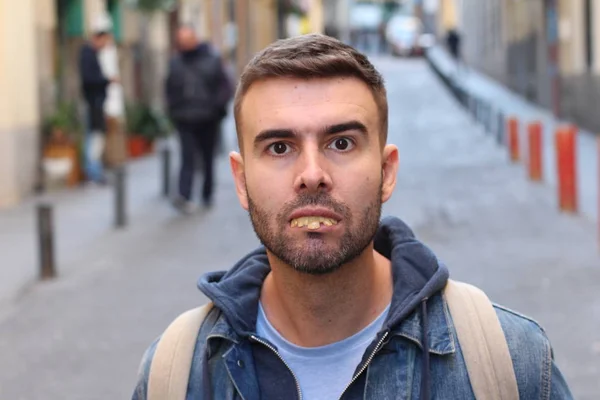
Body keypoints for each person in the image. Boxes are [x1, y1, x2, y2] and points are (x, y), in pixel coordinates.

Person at [133, 34, 573, 399]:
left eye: (341, 143)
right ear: (241, 180)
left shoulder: (509, 364)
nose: (311, 175)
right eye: (279, 148)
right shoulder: (176, 375)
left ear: (386, 172)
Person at [165, 25, 233, 213]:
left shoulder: (211, 59)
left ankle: (207, 194)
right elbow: (169, 88)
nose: (184, 43)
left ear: (195, 39)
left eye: (187, 39)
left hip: (207, 118)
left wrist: (216, 107)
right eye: (181, 40)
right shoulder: (176, 62)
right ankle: (184, 195)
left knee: (207, 157)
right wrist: (173, 109)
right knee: (187, 157)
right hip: (184, 118)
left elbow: (226, 87)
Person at [79, 15, 115, 185]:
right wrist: (107, 80)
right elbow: (89, 79)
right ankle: (92, 172)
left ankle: (95, 171)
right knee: (93, 138)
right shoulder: (87, 54)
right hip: (93, 103)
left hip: (97, 102)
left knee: (96, 138)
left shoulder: (92, 54)